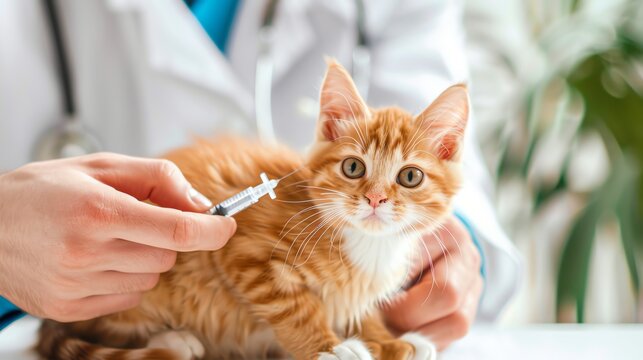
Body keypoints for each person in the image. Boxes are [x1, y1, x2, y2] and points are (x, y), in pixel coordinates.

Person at [0, 0, 521, 351]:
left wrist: (458, 247)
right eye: (357, 169)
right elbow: (253, 261)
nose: (377, 195)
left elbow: (451, 130)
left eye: (401, 181)